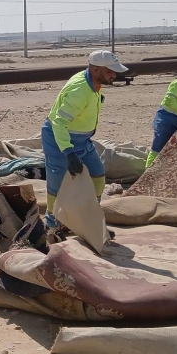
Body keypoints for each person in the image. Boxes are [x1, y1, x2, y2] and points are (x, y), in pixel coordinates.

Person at [42, 50, 128, 229]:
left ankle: (89, 218)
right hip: (59, 138)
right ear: (96, 69)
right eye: (110, 71)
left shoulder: (93, 82)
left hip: (82, 140)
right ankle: (52, 224)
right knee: (57, 182)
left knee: (97, 174)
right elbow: (59, 123)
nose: (114, 74)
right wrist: (69, 153)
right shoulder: (80, 90)